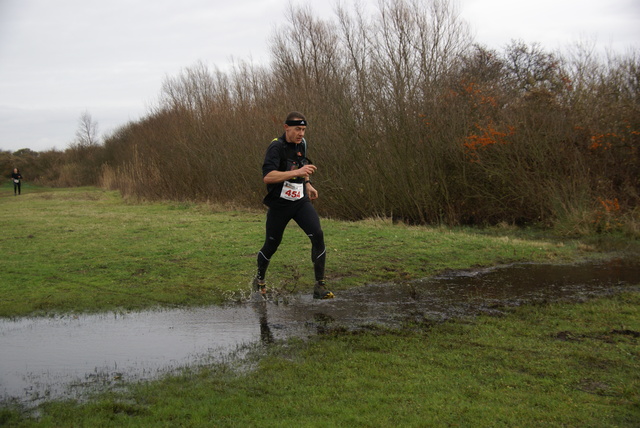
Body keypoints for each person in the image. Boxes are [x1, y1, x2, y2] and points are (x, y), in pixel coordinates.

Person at [254, 112, 334, 299]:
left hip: (299, 201)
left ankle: (319, 286)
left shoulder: (302, 144)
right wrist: (297, 172)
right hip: (280, 205)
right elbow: (268, 176)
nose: (301, 133)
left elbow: (302, 165)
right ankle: (259, 281)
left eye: (304, 129)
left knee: (318, 234)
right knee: (272, 245)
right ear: (286, 127)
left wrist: (307, 183)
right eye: (297, 129)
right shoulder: (276, 147)